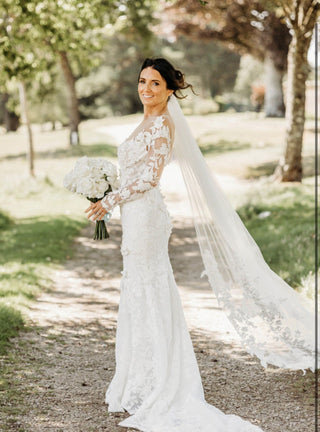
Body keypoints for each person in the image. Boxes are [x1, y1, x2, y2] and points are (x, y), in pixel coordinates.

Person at [85, 58, 316, 431]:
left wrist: (109, 200)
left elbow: (149, 179)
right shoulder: (145, 120)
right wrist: (108, 190)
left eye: (155, 83)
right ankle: (139, 378)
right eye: (142, 81)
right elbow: (133, 173)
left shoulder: (162, 125)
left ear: (170, 89)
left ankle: (162, 383)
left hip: (146, 217)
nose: (146, 88)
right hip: (134, 216)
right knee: (138, 290)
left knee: (150, 289)